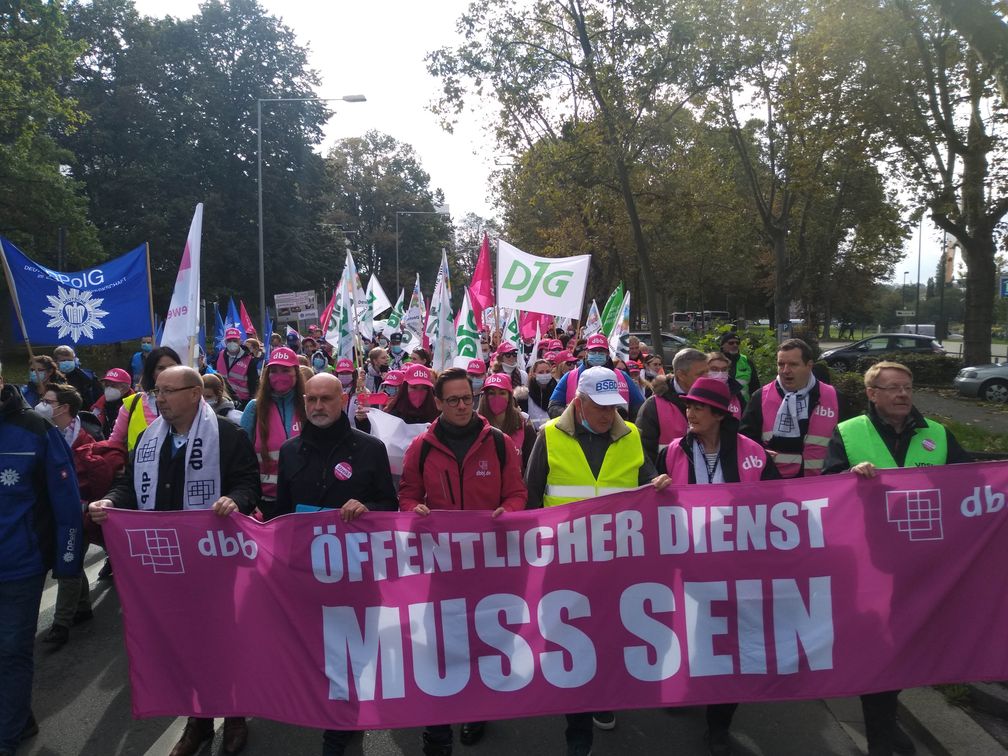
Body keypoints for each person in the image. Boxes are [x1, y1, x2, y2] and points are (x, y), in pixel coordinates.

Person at [89, 366, 261, 756]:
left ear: (196, 393)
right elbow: (127, 486)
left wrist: (236, 500)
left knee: (224, 641)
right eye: (156, 392)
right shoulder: (149, 440)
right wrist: (111, 502)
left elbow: (247, 483)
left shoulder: (228, 435)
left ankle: (234, 714)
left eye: (168, 391)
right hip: (165, 565)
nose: (160, 399)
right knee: (184, 645)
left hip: (216, 561)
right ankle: (197, 722)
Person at [823, 360, 971, 756]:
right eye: (893, 388)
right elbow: (826, 491)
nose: (903, 394)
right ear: (872, 394)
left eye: (907, 387)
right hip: (871, 568)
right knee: (879, 656)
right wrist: (849, 476)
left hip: (924, 570)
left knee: (908, 653)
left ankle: (886, 727)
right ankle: (881, 740)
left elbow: (970, 486)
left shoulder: (937, 434)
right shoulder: (849, 432)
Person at [525, 366, 671, 753]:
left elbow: (648, 482)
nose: (609, 415)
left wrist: (659, 486)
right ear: (580, 401)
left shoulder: (633, 436)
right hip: (564, 563)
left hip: (614, 562)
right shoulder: (549, 435)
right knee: (572, 639)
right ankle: (577, 729)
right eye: (601, 407)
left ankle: (603, 698)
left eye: (615, 407)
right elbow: (531, 496)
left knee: (607, 637)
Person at [399, 367, 527, 755]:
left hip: (487, 563)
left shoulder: (501, 443)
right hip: (440, 565)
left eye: (466, 399)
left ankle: (476, 710)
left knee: (483, 638)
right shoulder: (420, 447)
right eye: (452, 400)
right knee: (441, 640)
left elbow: (517, 492)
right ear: (438, 403)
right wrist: (414, 510)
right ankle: (437, 728)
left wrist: (508, 509)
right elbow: (406, 495)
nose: (461, 406)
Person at [655, 377, 779, 756]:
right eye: (688, 406)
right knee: (691, 637)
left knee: (730, 648)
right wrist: (655, 486)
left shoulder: (754, 454)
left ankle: (718, 727)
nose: (689, 413)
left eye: (697, 407)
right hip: (688, 567)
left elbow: (779, 507)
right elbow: (660, 510)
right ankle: (685, 687)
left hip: (737, 571)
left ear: (719, 414)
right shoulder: (673, 452)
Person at [0, 363, 83, 755]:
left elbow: (65, 501)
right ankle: (17, 715)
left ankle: (6, 735)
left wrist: (68, 562)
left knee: (11, 649)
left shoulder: (37, 429)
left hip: (19, 565)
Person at [36, 384, 124, 649]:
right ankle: (83, 607)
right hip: (51, 511)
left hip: (79, 512)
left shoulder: (86, 442)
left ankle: (60, 625)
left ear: (63, 408)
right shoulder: (42, 433)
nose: (41, 405)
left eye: (46, 401)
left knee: (68, 564)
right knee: (69, 562)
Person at [740, 339, 840, 479]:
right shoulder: (760, 397)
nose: (786, 371)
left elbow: (846, 444)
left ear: (809, 365)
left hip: (820, 485)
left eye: (793, 364)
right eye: (781, 364)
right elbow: (744, 441)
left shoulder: (833, 396)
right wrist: (759, 453)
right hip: (775, 487)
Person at [240, 347, 305, 513]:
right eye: (274, 371)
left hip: (302, 499)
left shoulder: (308, 405)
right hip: (264, 503)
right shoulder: (254, 408)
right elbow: (241, 459)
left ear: (296, 373)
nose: (279, 376)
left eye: (285, 370)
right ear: (267, 375)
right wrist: (248, 500)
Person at [635, 348, 709, 465]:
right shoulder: (653, 406)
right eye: (700, 374)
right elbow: (643, 453)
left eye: (707, 372)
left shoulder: (712, 400)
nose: (707, 378)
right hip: (669, 480)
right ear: (681, 375)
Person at [547, 334, 644, 420]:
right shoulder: (570, 377)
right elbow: (553, 407)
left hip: (615, 435)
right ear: (587, 352)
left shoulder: (623, 377)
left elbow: (639, 409)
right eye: (593, 351)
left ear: (608, 353)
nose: (597, 354)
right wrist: (574, 416)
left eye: (601, 351)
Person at [108, 346, 182, 453]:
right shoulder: (132, 404)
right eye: (161, 368)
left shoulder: (190, 402)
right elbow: (114, 442)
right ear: (151, 372)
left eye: (172, 367)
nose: (167, 372)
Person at [477, 372, 536, 468]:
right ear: (485, 397)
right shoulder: (476, 425)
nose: (497, 398)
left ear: (509, 397)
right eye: (492, 393)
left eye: (502, 393)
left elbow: (532, 466)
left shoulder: (524, 426)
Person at [216, 327, 259, 408]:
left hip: (243, 402)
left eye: (235, 341)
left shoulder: (249, 360)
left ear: (240, 341)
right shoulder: (220, 355)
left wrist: (251, 402)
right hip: (223, 399)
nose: (232, 343)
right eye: (229, 340)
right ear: (225, 342)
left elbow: (254, 384)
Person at [91, 368, 134, 440]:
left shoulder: (135, 406)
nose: (109, 389)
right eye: (107, 385)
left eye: (113, 386)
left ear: (125, 388)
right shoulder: (98, 407)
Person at [719, 332, 760, 404]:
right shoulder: (715, 361)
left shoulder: (746, 361)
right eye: (731, 343)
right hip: (721, 404)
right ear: (723, 345)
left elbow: (755, 386)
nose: (735, 345)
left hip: (744, 406)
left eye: (737, 343)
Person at [706, 351, 745, 419]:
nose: (720, 373)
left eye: (724, 369)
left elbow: (745, 418)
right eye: (714, 369)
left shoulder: (736, 393)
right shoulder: (697, 392)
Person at [521, 358, 555, 429]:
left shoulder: (556, 391)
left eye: (547, 371)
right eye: (541, 372)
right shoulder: (525, 395)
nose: (545, 374)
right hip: (533, 433)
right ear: (533, 374)